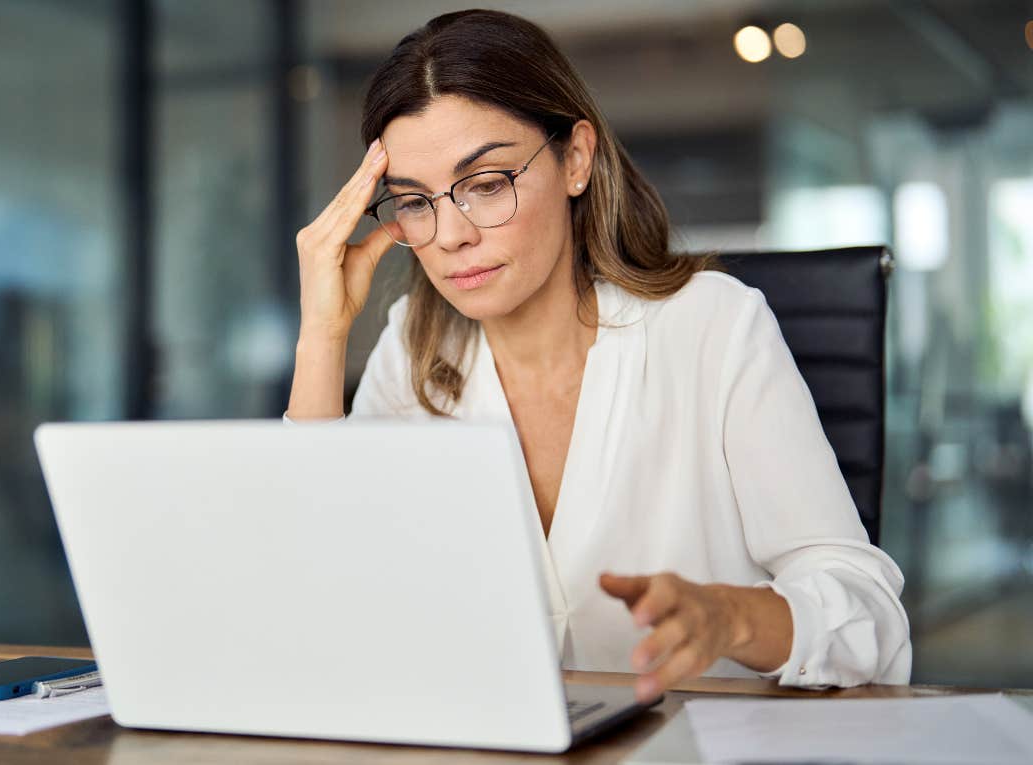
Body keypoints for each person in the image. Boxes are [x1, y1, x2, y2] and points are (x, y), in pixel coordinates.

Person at [285, 9, 910, 703]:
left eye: (487, 183)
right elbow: (320, 605)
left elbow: (872, 616)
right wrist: (321, 334)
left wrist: (729, 616)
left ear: (575, 158)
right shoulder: (413, 348)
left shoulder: (712, 327)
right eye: (415, 201)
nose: (451, 235)